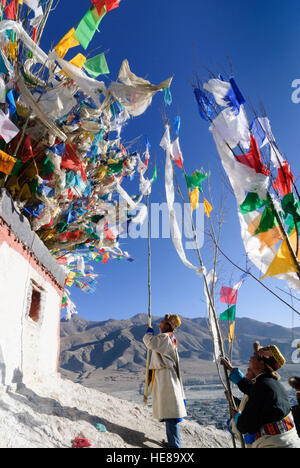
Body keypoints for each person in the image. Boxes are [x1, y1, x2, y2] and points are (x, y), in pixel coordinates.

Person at [221, 342, 300, 448]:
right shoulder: (272, 384)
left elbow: (246, 425)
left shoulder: (262, 387)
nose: (250, 358)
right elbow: (250, 388)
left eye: (254, 356)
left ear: (262, 363)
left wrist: (236, 417)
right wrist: (231, 369)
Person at [143, 314, 186, 448]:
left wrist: (149, 332)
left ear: (168, 325)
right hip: (166, 376)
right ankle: (173, 442)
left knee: (170, 412)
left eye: (162, 322)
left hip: (166, 378)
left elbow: (150, 343)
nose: (159, 324)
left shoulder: (165, 337)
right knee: (169, 412)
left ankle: (175, 446)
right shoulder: (171, 338)